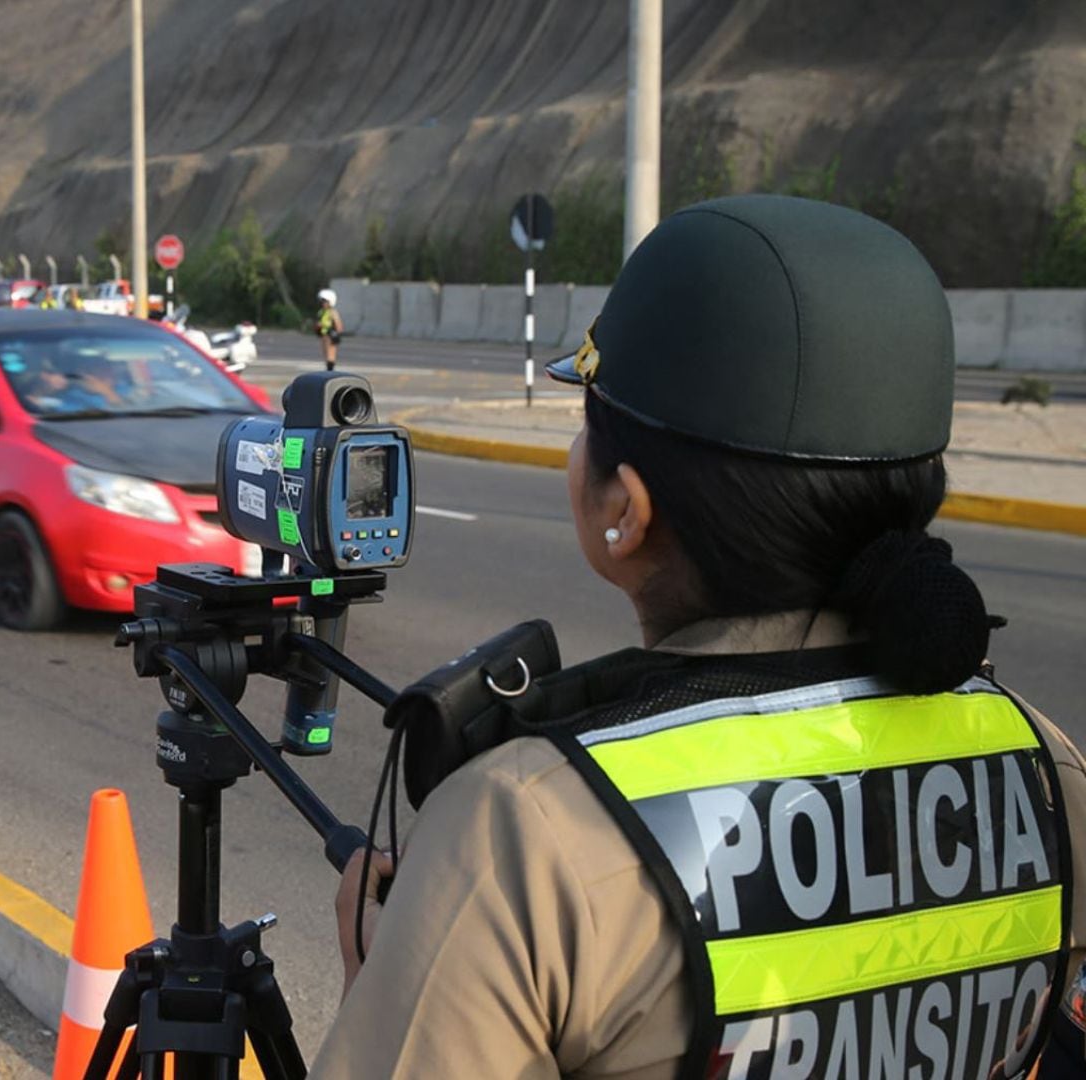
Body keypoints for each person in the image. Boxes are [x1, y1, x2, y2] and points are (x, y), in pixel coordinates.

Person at [315, 195, 1086, 1079]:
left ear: (625, 511)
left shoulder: (517, 838)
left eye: (585, 421)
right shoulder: (1048, 770)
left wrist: (386, 979)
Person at [316, 288, 343, 371]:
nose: (323, 303)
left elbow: (339, 325)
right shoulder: (322, 312)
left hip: (331, 335)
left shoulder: (332, 312)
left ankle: (330, 370)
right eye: (322, 301)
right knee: (326, 354)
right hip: (324, 335)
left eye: (325, 301)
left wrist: (336, 334)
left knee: (330, 355)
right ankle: (328, 369)